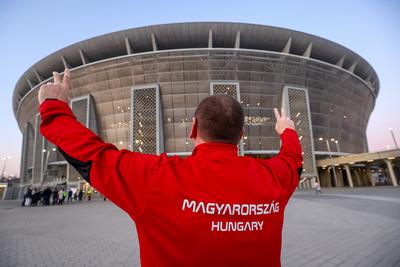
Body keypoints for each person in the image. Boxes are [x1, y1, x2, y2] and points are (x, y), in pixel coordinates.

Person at [38, 69, 302, 266]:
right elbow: (293, 160)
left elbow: (91, 156)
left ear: (193, 129)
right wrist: (287, 131)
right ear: (241, 135)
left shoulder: (156, 178)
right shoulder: (273, 178)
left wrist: (54, 106)